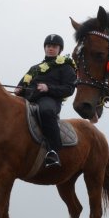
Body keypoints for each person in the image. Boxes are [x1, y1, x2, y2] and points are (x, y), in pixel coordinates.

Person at [15, 34, 76, 168]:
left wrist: (48, 88)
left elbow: (69, 89)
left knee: (46, 111)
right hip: (28, 99)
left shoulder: (66, 67)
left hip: (50, 100)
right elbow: (22, 85)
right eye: (48, 46)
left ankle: (53, 152)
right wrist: (19, 89)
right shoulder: (34, 68)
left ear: (60, 49)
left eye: (54, 46)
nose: (50, 49)